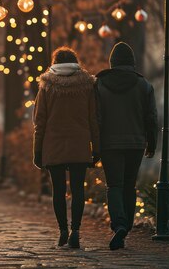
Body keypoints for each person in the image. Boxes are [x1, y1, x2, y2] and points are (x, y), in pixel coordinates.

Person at [33, 47, 100, 249]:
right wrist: (96, 148)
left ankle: (62, 230)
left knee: (58, 190)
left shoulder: (46, 86)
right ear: (75, 62)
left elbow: (39, 122)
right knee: (78, 189)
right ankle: (76, 230)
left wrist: (37, 151)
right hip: (79, 145)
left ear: (54, 62)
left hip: (54, 145)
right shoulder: (87, 85)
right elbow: (93, 119)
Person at [96, 42, 158, 250]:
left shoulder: (100, 84)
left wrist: (95, 146)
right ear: (132, 63)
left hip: (109, 144)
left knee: (114, 185)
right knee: (129, 186)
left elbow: (96, 118)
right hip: (135, 143)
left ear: (112, 62)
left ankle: (119, 225)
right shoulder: (144, 85)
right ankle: (126, 229)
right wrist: (152, 143)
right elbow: (151, 118)